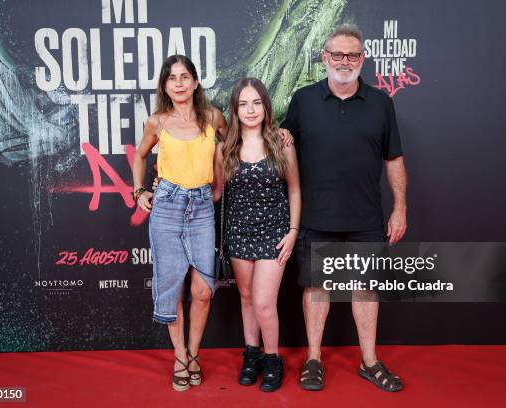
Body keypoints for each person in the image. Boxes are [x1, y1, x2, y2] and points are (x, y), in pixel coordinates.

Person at [281, 24, 407, 392]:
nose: (345, 61)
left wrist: (400, 207)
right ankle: (314, 359)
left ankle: (369, 361)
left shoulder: (382, 103)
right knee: (318, 289)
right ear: (325, 57)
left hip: (366, 217)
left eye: (353, 55)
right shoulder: (303, 101)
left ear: (363, 59)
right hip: (316, 215)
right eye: (337, 54)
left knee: (366, 290)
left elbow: (394, 158)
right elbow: (283, 146)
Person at [132, 54, 227, 392]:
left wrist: (218, 183)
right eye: (172, 78)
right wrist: (140, 191)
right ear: (165, 86)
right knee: (172, 291)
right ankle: (180, 357)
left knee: (202, 291)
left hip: (201, 207)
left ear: (196, 82)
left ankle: (194, 353)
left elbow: (231, 148)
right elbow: (140, 156)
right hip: (168, 207)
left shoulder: (213, 117)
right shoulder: (157, 121)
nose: (179, 83)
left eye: (185, 77)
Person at [212, 78, 301, 392]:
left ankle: (273, 358)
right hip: (238, 233)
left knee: (264, 303)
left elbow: (294, 189)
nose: (250, 110)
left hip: (274, 233)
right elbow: (215, 193)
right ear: (235, 110)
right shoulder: (225, 148)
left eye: (256, 103)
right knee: (247, 298)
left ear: (266, 105)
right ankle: (251, 356)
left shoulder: (281, 141)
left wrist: (292, 232)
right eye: (243, 104)